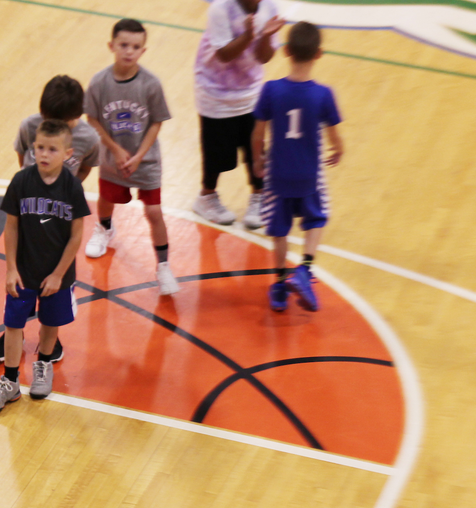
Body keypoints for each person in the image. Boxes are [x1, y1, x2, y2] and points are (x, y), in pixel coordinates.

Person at [0, 74, 99, 365]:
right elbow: (21, 154)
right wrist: (32, 186)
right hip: (30, 211)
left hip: (59, 217)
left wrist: (69, 188)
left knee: (53, 283)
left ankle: (51, 337)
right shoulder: (29, 126)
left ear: (77, 118)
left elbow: (87, 165)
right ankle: (14, 333)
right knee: (21, 280)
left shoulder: (88, 138)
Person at [0, 119, 91, 413]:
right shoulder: (21, 181)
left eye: (52, 149)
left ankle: (43, 365)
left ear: (67, 153)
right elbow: (12, 227)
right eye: (39, 148)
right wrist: (10, 268)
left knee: (49, 324)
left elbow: (76, 236)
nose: (44, 154)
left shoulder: (72, 188)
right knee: (13, 324)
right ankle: (10, 382)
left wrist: (58, 274)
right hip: (25, 271)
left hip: (57, 274)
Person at [82, 19, 179, 296]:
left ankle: (163, 266)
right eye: (123, 45)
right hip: (113, 159)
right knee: (107, 199)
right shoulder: (100, 82)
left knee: (154, 212)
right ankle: (104, 229)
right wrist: (113, 148)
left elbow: (157, 122)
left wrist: (139, 155)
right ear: (111, 46)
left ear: (143, 51)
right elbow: (92, 118)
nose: (129, 51)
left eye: (135, 47)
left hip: (145, 161)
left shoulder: (150, 84)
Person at [252, 21, 343, 312]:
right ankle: (304, 268)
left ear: (286, 50)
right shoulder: (323, 95)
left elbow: (257, 133)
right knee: (317, 218)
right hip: (309, 175)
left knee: (279, 230)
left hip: (277, 175)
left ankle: (279, 286)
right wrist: (339, 150)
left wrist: (258, 158)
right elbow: (334, 136)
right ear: (319, 54)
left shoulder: (271, 90)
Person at [192, 0, 284, 228]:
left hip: (250, 91)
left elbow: (264, 57)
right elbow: (224, 55)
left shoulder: (269, 8)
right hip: (215, 92)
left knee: (255, 148)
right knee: (216, 154)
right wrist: (249, 35)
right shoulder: (220, 9)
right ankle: (206, 197)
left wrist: (264, 37)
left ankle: (259, 196)